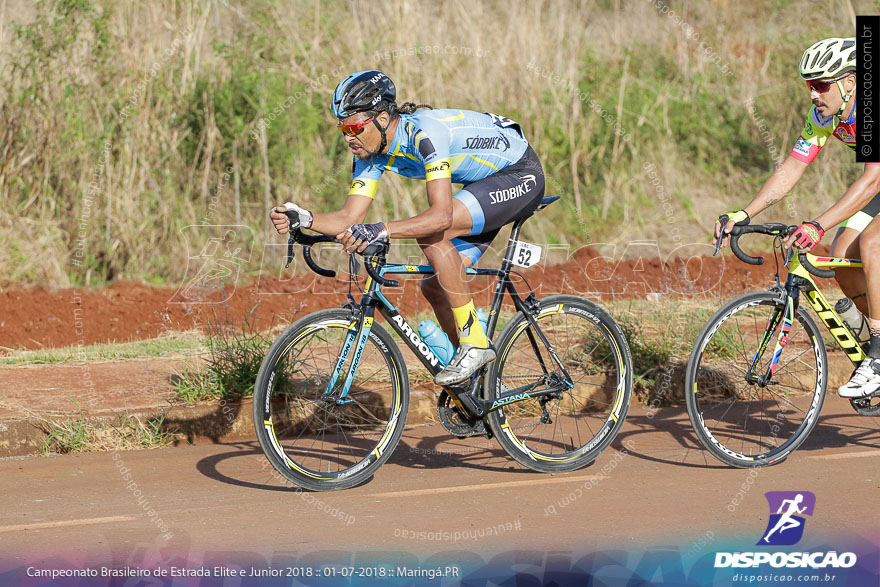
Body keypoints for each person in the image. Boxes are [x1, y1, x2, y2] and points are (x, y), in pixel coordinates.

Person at [269, 70, 546, 386]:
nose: (348, 138)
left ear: (383, 118)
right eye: (342, 129)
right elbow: (349, 217)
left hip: (520, 174)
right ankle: (478, 382)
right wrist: (306, 218)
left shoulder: (425, 135)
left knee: (429, 233)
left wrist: (381, 230)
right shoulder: (370, 152)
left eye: (354, 127)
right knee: (434, 286)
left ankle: (476, 343)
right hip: (482, 183)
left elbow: (440, 217)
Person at [714, 37, 880, 399]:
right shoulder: (825, 114)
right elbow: (791, 168)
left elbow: (872, 181)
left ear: (849, 82)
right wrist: (744, 212)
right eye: (809, 85)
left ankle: (879, 356)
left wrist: (817, 223)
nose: (812, 94)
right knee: (845, 260)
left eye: (820, 85)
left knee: (873, 245)